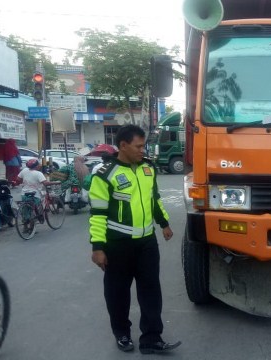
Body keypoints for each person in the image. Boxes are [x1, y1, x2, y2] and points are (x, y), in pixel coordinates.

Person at [89, 125, 180, 354]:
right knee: (118, 292)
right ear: (123, 145)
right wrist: (98, 247)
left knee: (151, 291)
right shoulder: (104, 174)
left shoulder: (148, 168)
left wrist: (164, 223)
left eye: (144, 145)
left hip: (147, 243)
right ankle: (122, 334)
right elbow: (98, 214)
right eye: (138, 146)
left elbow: (154, 199)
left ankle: (152, 338)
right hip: (118, 244)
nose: (143, 150)